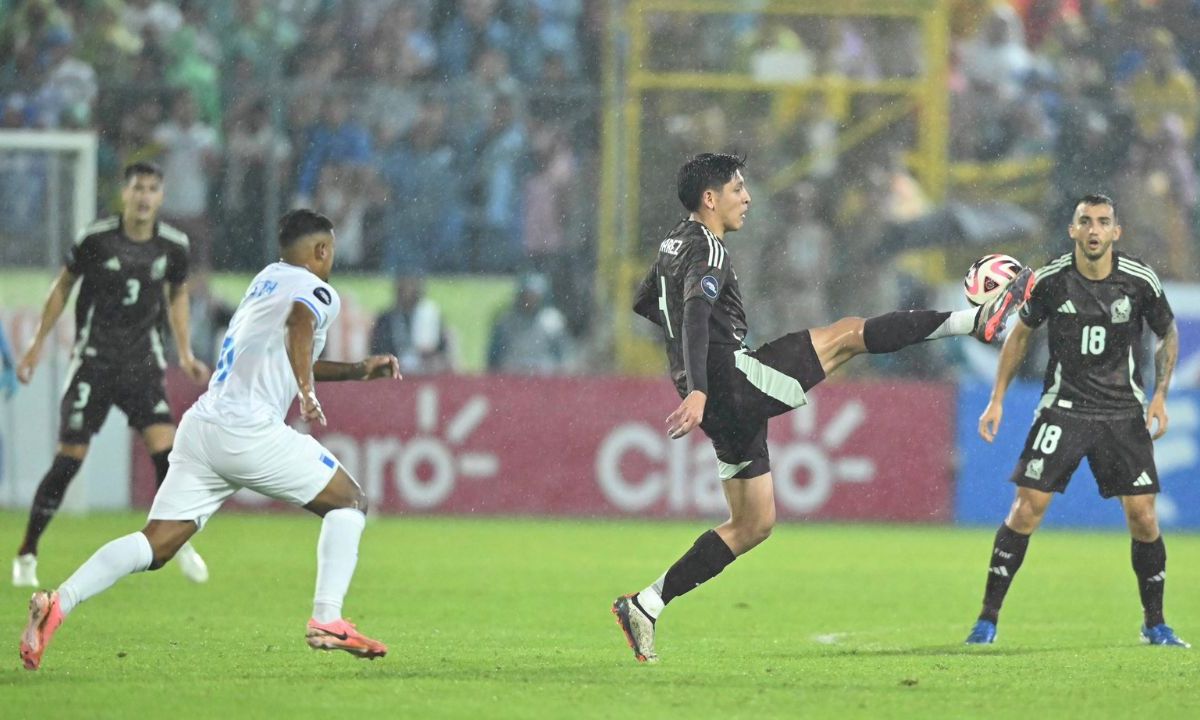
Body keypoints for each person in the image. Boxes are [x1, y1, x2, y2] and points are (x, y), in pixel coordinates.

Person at [611, 153, 1035, 663]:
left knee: (753, 523)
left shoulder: (672, 243)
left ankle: (646, 604)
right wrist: (703, 384)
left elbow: (646, 301)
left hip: (714, 394)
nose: (747, 198)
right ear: (710, 198)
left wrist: (687, 372)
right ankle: (977, 319)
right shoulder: (709, 248)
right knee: (850, 335)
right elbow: (697, 312)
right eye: (738, 189)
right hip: (730, 381)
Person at [19, 209, 400, 671]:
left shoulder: (266, 281)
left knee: (156, 544)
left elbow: (286, 350)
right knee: (350, 503)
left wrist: (358, 369)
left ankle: (58, 603)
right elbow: (299, 325)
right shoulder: (317, 291)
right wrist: (305, 391)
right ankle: (327, 618)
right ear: (322, 251)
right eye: (332, 250)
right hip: (249, 430)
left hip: (203, 426)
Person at [963, 194, 1188, 648]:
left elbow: (1168, 332)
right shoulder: (1050, 279)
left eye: (1103, 222)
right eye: (1085, 221)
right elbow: (1020, 333)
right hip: (1063, 408)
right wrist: (997, 399)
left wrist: (1160, 395)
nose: (1093, 230)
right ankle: (987, 620)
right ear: (1073, 230)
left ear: (1115, 232)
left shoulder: (1138, 279)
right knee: (1026, 508)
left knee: (1143, 517)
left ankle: (1155, 623)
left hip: (1123, 411)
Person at [13, 161, 211, 589]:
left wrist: (185, 352)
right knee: (70, 459)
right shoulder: (97, 239)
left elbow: (176, 295)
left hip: (142, 364)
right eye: (137, 187)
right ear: (125, 193)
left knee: (169, 455)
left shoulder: (174, 247)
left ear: (161, 196)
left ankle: (175, 539)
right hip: (94, 362)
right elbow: (63, 286)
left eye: (152, 189)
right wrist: (35, 344)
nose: (144, 196)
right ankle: (27, 551)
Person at [368, 272, 453, 375]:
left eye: (412, 285)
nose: (407, 290)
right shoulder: (386, 319)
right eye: (404, 285)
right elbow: (377, 350)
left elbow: (442, 351)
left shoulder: (431, 315)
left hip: (426, 372)